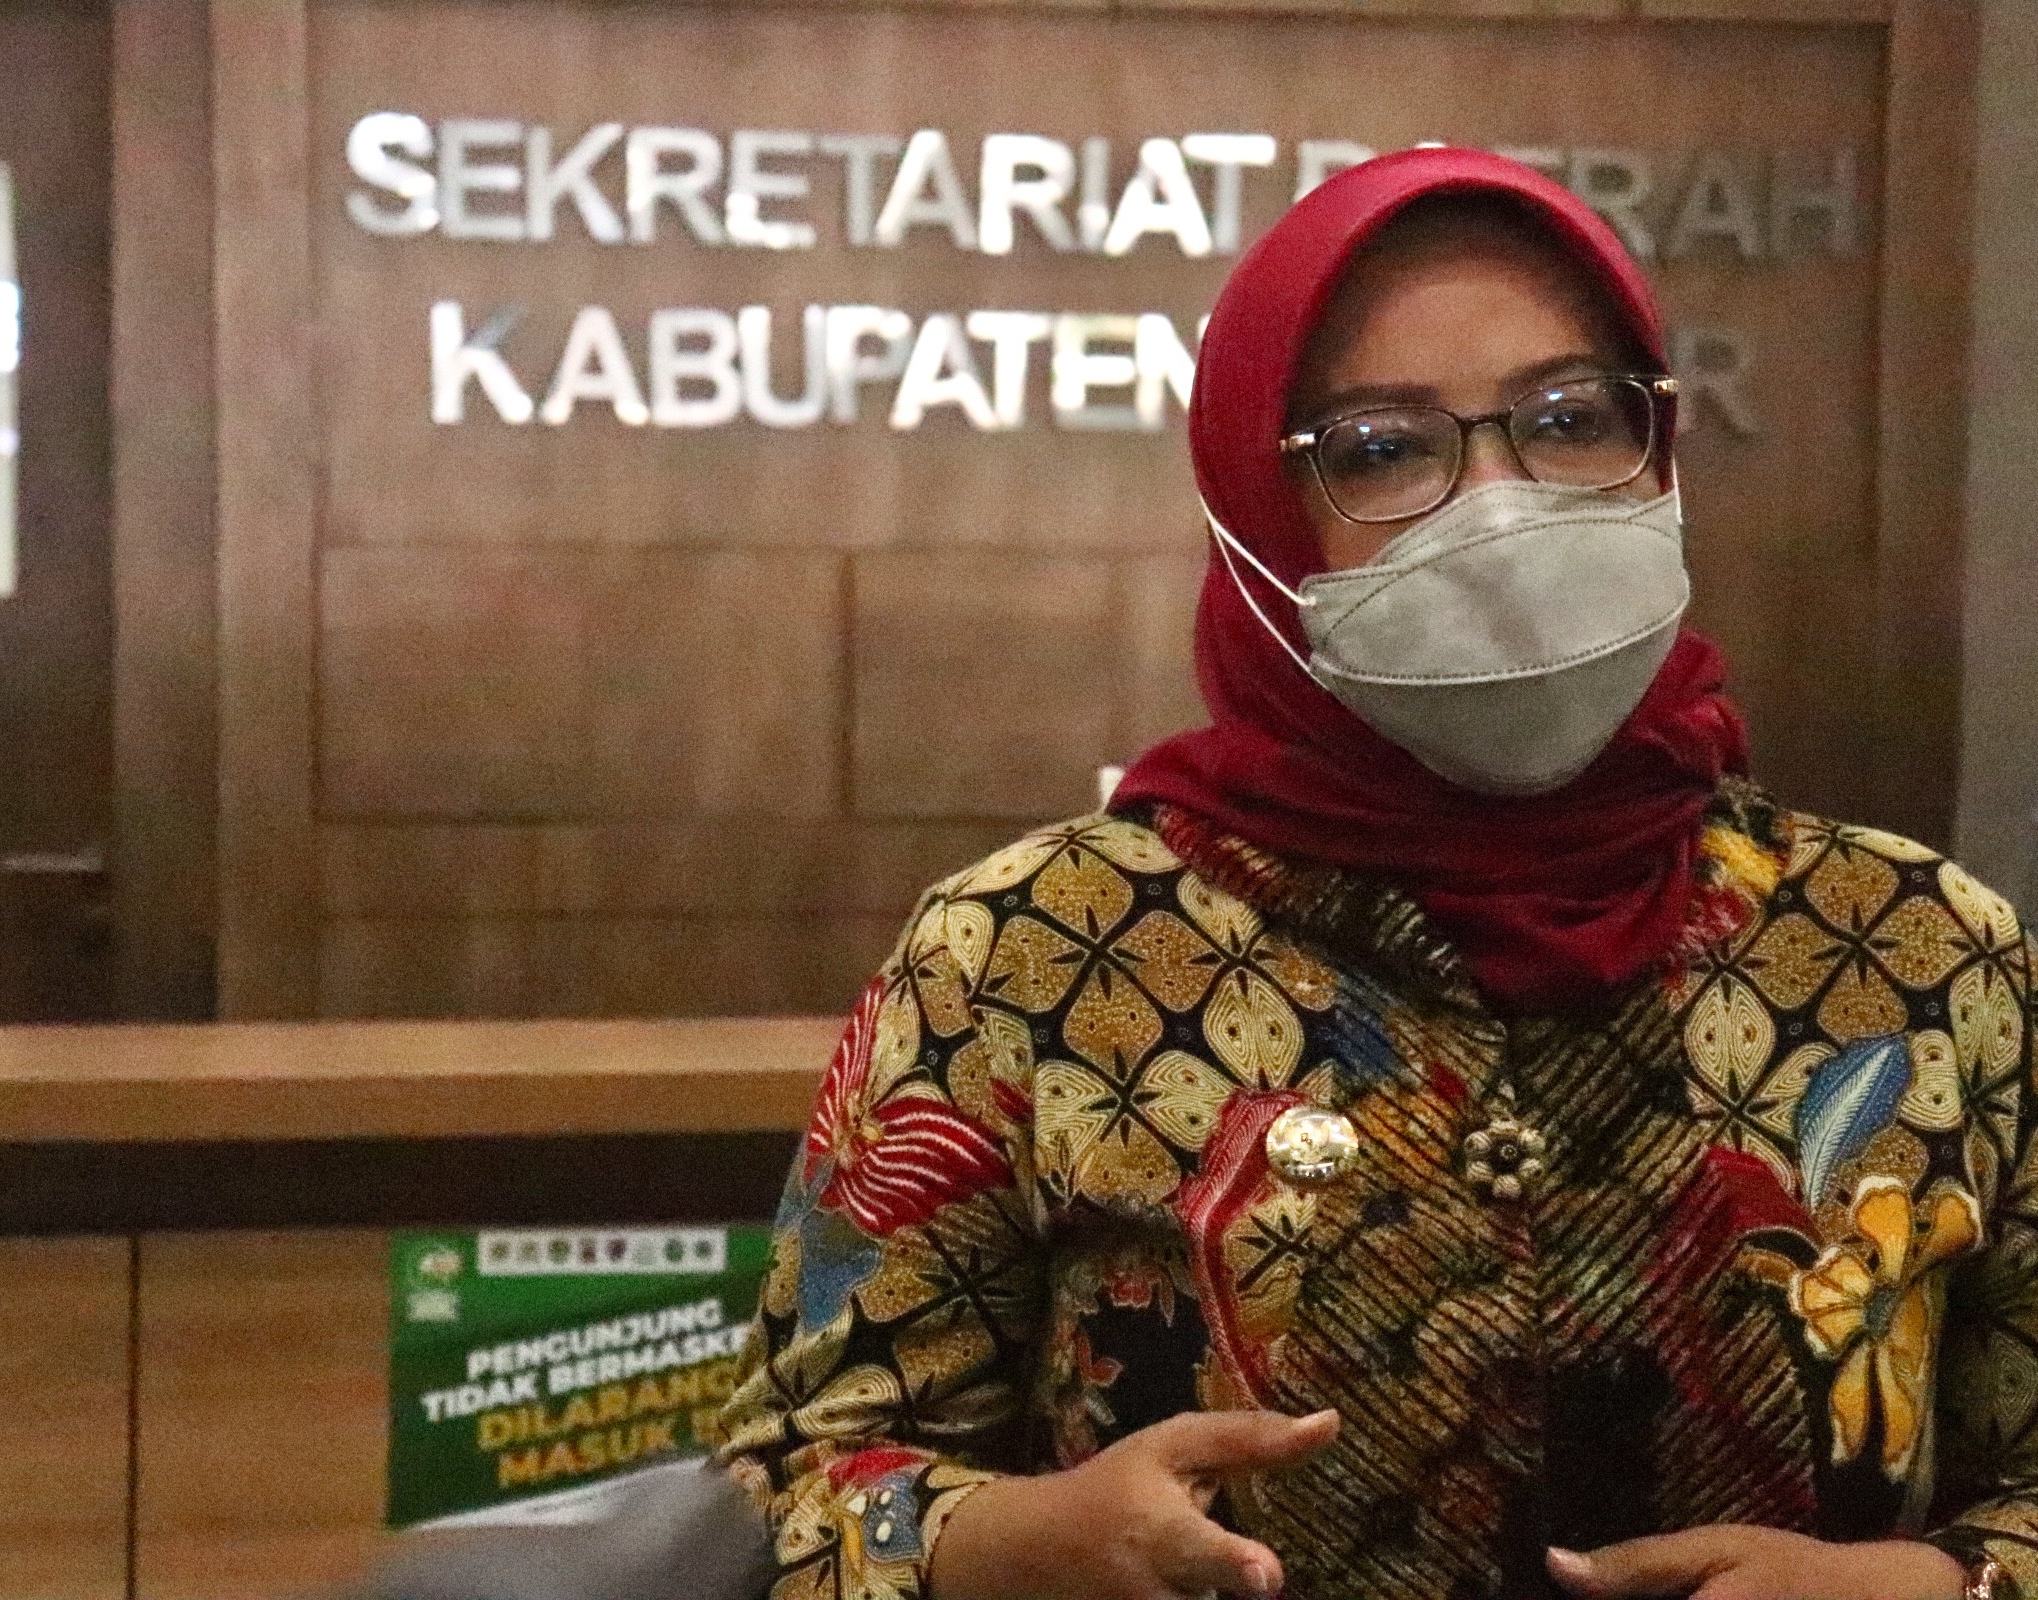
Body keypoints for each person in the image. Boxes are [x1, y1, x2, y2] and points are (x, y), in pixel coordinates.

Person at [716, 148, 2033, 1600]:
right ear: (1255, 513)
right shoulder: (1026, 956)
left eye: (1569, 420)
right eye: (1384, 449)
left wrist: (1935, 1590)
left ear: (1657, 443)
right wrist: (1001, 1548)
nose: (1499, 507)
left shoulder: (1921, 948)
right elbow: (793, 1478)